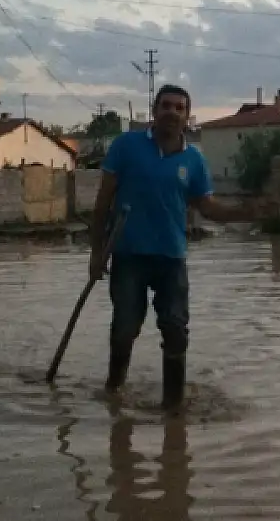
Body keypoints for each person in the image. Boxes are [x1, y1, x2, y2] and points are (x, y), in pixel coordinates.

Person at [89, 84, 269, 411]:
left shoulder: (194, 160)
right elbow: (102, 202)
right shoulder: (126, 146)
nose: (172, 112)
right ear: (154, 111)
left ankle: (173, 407)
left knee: (175, 331)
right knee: (124, 329)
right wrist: (96, 252)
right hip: (128, 255)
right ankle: (113, 392)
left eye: (179, 108)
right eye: (166, 106)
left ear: (187, 117)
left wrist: (246, 212)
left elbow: (207, 207)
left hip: (172, 258)